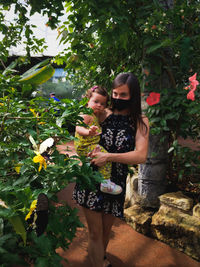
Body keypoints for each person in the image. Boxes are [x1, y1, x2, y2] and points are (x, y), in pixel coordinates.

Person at [73, 72, 149, 267]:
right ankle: (99, 263)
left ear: (133, 95)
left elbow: (140, 155)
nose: (117, 98)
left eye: (123, 95)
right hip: (91, 177)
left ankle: (99, 258)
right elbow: (80, 124)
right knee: (95, 232)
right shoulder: (102, 113)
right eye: (115, 93)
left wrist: (108, 156)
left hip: (115, 181)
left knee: (105, 233)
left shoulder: (140, 121)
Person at [74, 85, 122, 195]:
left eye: (102, 104)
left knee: (101, 158)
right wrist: (88, 132)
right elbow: (78, 127)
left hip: (91, 145)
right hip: (84, 146)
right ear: (87, 101)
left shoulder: (95, 115)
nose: (99, 105)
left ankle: (101, 180)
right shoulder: (86, 114)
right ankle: (105, 184)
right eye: (96, 102)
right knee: (105, 157)